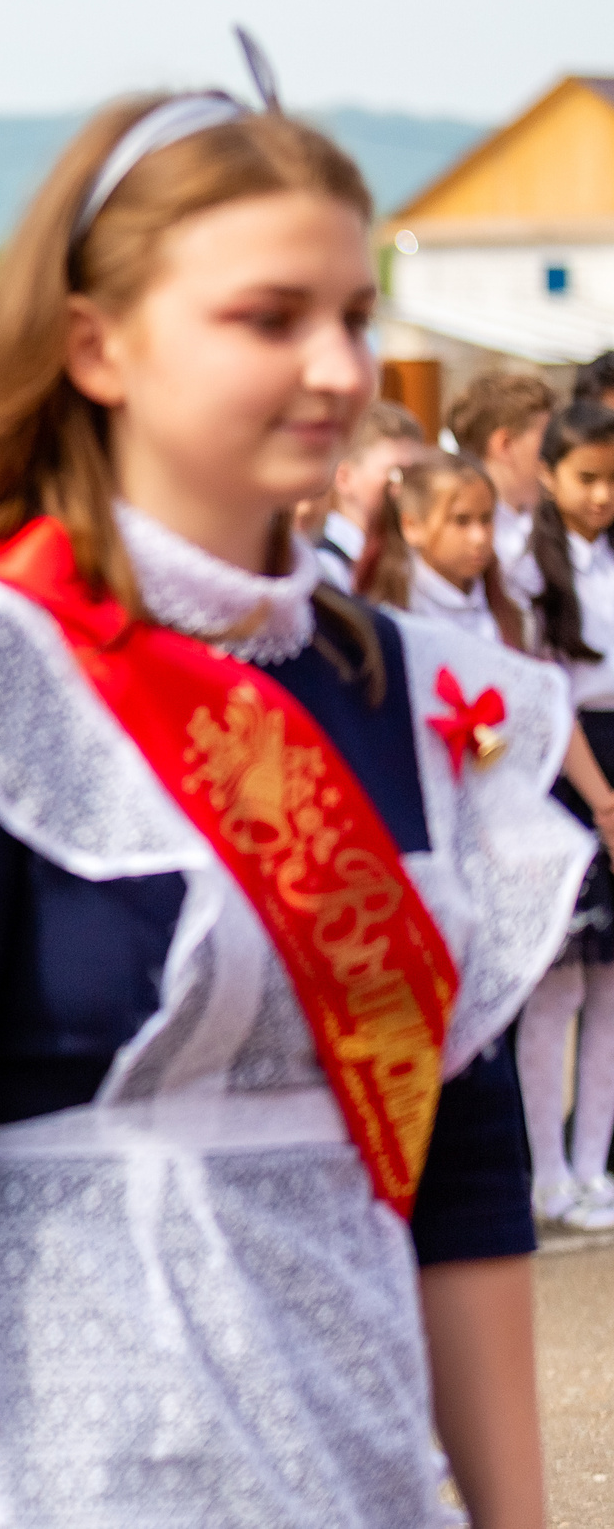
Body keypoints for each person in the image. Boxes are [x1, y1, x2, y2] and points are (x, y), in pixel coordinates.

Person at [0, 86, 587, 1529]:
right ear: (96, 344)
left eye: (354, 315)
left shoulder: (414, 693)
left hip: (355, 1463)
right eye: (269, 317)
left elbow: (462, 1169)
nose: (336, 367)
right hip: (56, 1464)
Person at [507, 400, 614, 1230]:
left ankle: (591, 1163)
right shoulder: (524, 564)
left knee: (609, 989)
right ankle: (546, 1169)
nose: (602, 495)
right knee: (557, 985)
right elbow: (543, 691)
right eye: (586, 477)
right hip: (564, 767)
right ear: (547, 473)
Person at [351, 453, 527, 649]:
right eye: (461, 520)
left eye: (486, 519)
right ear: (412, 526)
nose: (479, 537)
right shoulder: (391, 616)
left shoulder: (508, 610)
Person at [312, 398, 425, 589]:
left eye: (416, 474)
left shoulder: (415, 558)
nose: (405, 486)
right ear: (344, 477)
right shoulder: (324, 564)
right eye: (393, 473)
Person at [447, 371, 555, 569]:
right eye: (548, 439)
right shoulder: (455, 537)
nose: (555, 453)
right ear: (505, 444)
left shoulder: (543, 524)